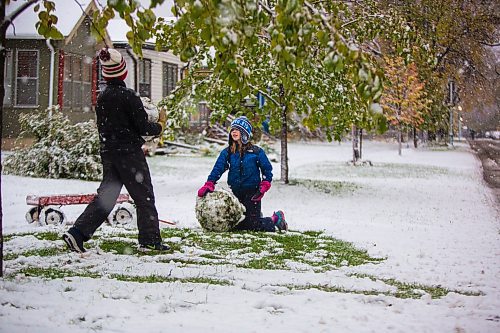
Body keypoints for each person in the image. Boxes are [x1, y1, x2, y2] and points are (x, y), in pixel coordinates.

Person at [63, 48, 170, 253]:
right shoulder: (129, 97)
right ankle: (149, 240)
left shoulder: (102, 98)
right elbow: (143, 128)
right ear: (124, 72)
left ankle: (77, 234)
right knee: (143, 196)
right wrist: (160, 125)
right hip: (129, 154)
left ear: (105, 74)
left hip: (109, 152)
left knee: (107, 196)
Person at [197, 116, 287, 232]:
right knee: (235, 224)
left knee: (252, 227)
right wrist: (209, 183)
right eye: (232, 129)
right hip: (235, 194)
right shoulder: (228, 152)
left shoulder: (256, 152)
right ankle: (254, 215)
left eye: (237, 129)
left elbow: (267, 170)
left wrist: (265, 184)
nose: (234, 131)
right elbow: (218, 168)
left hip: (253, 193)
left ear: (245, 133)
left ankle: (276, 219)